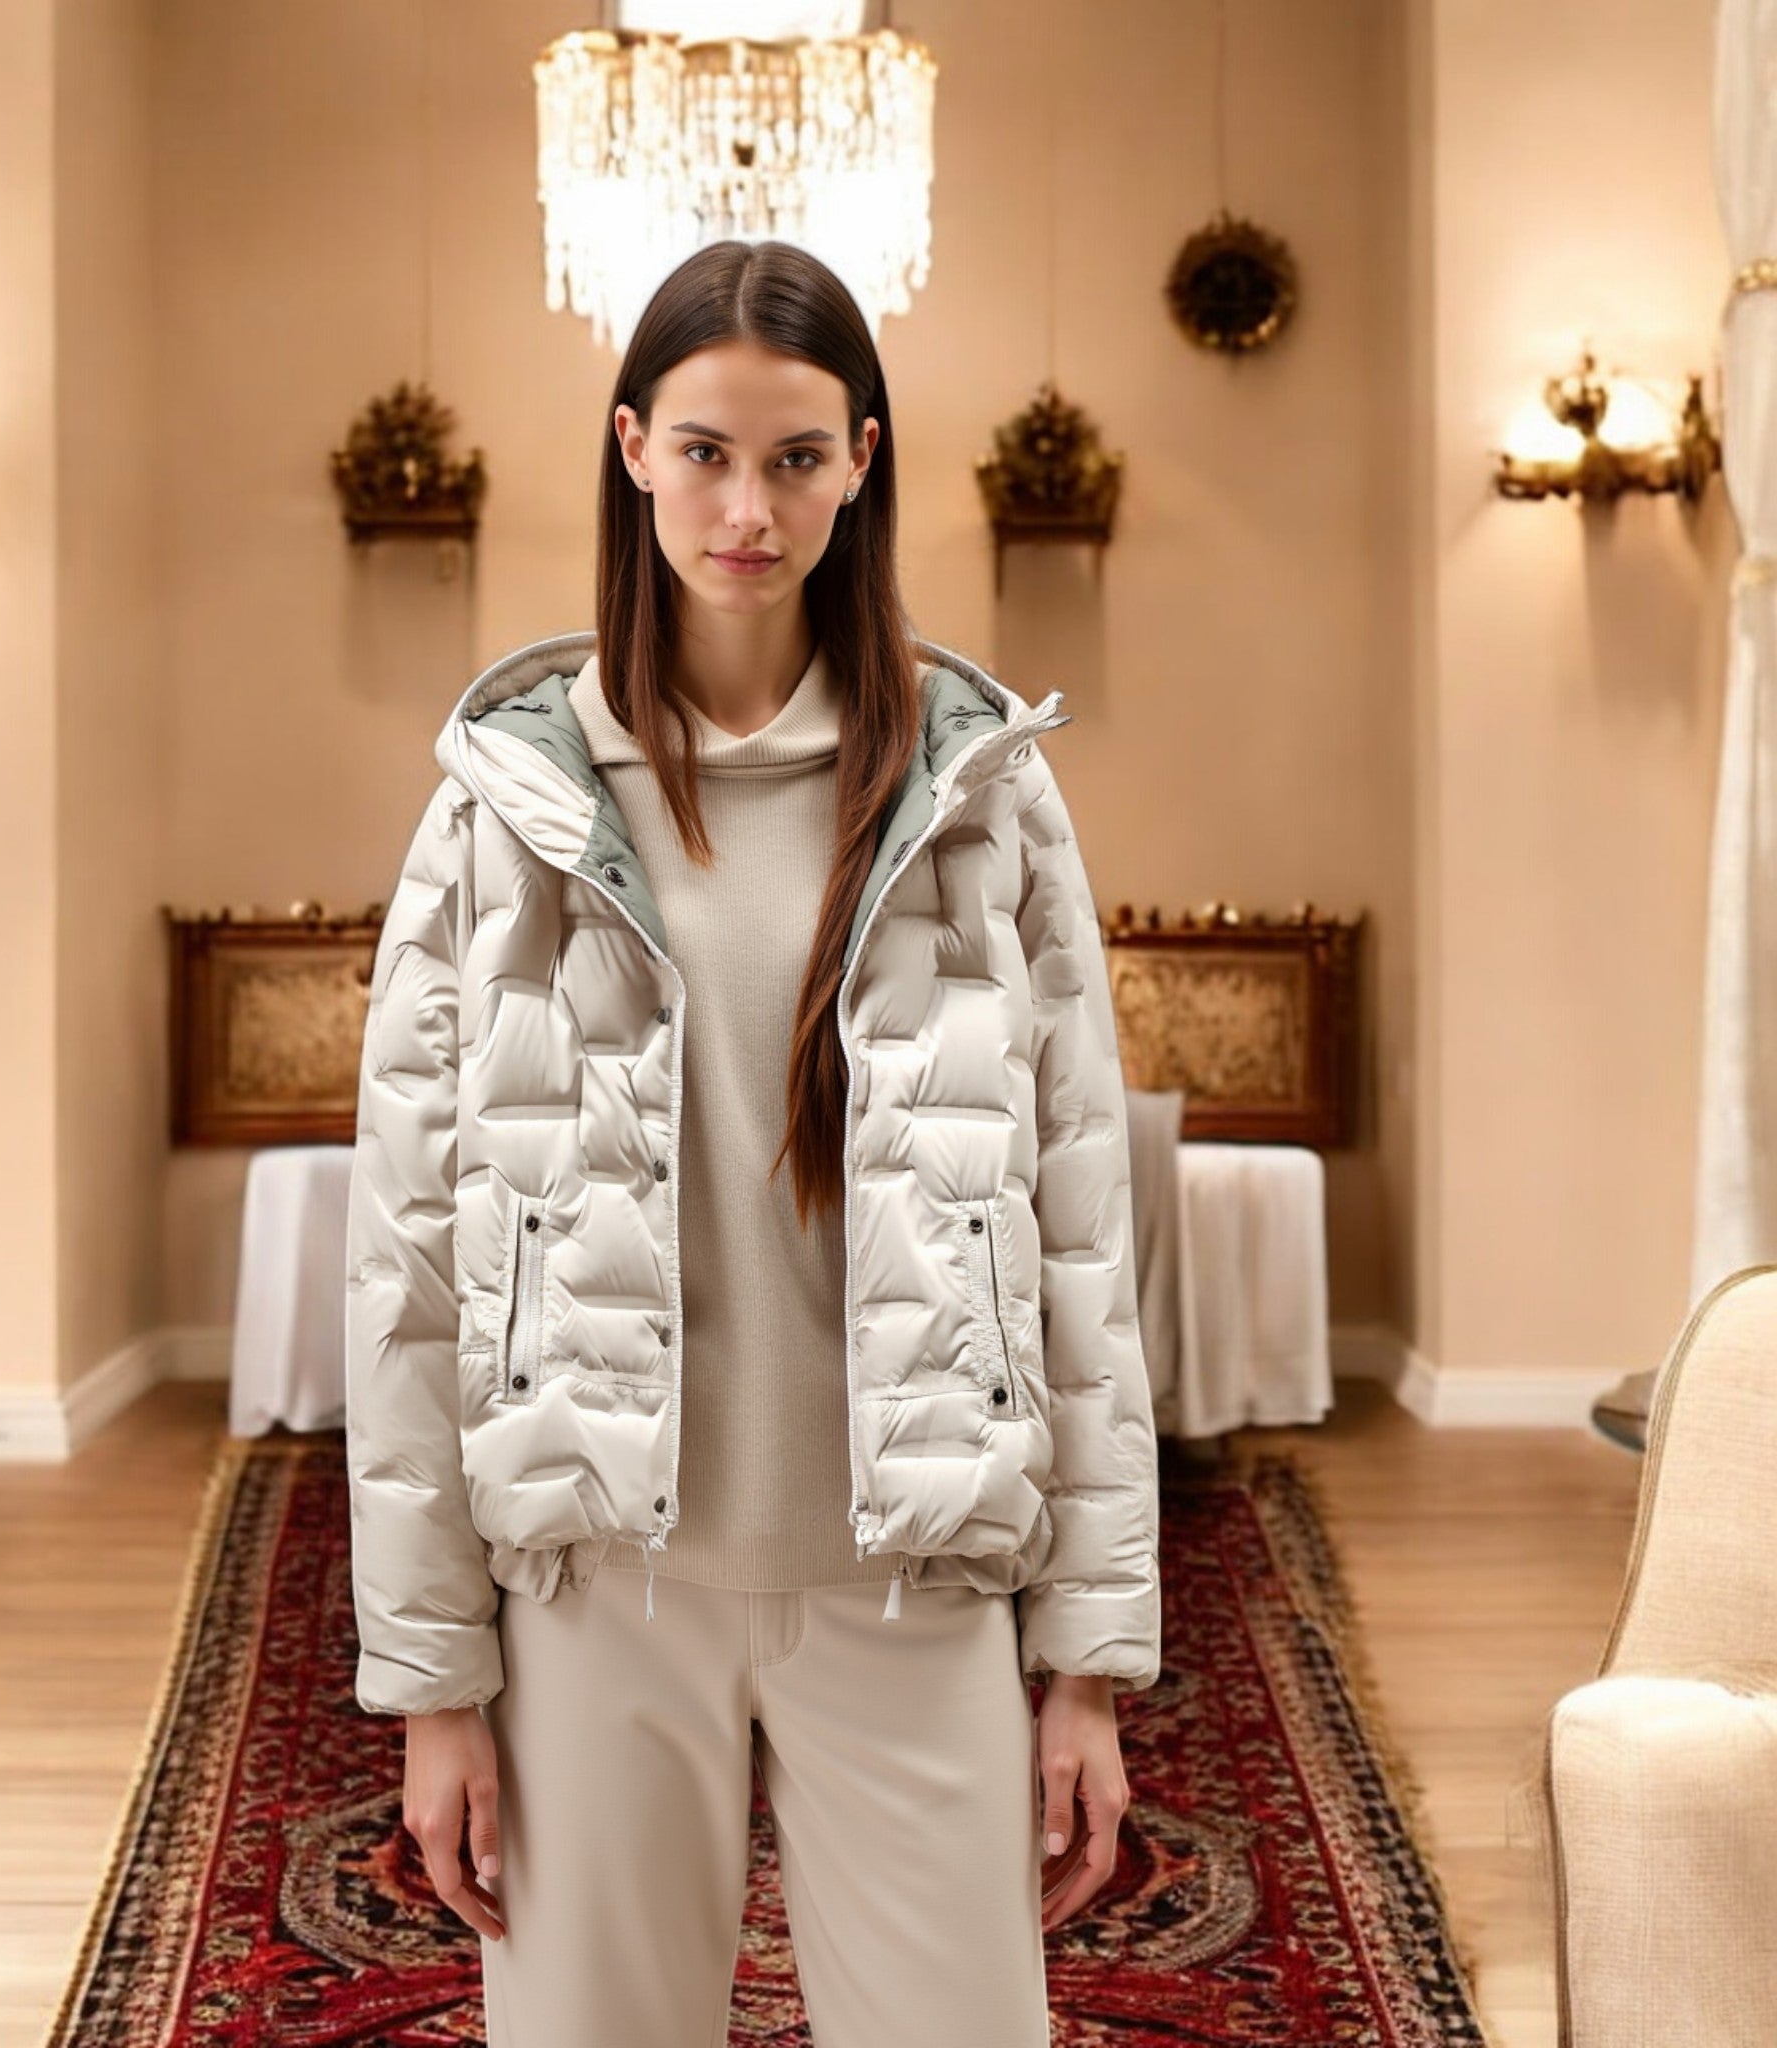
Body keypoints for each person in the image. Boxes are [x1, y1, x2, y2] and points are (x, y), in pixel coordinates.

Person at [343, 237, 1161, 2048]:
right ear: (631, 446)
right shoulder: (504, 809)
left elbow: (1082, 1233)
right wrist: (434, 1683)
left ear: (862, 461)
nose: (747, 510)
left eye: (796, 459)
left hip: (915, 1584)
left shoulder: (983, 795)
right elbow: (407, 1263)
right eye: (706, 453)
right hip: (593, 1600)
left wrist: (1088, 1663)